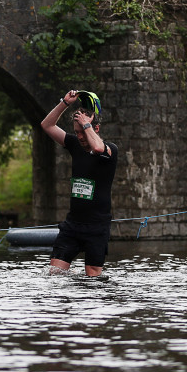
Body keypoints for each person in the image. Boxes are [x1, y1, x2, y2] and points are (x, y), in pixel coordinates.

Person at [39, 90, 119, 276]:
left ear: (95, 129)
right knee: (55, 274)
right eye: (76, 132)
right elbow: (47, 125)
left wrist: (86, 124)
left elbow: (98, 147)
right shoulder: (75, 145)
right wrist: (64, 103)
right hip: (72, 225)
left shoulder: (110, 150)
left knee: (92, 279)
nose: (80, 137)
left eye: (82, 132)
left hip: (97, 226)